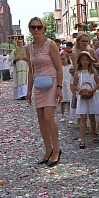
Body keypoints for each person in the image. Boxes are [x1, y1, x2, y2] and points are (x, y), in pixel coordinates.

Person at [26, 18, 63, 166]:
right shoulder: (29, 48)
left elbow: (59, 67)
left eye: (39, 27)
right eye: (33, 27)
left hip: (51, 81)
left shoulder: (50, 44)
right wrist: (28, 90)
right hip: (39, 84)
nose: (36, 30)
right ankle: (47, 149)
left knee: (49, 117)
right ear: (30, 29)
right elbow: (31, 70)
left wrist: (59, 87)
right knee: (41, 119)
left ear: (43, 28)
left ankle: (56, 149)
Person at [72, 51, 99, 149]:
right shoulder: (78, 73)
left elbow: (98, 83)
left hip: (91, 95)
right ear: (80, 61)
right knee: (83, 117)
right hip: (82, 95)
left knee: (92, 116)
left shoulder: (93, 72)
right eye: (83, 60)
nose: (85, 62)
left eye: (86, 60)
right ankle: (82, 139)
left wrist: (93, 89)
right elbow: (74, 85)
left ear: (89, 61)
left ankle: (94, 135)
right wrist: (79, 90)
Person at [59, 49, 73, 122]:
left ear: (67, 58)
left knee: (69, 101)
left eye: (64, 59)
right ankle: (62, 114)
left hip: (68, 84)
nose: (62, 61)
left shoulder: (70, 66)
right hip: (62, 84)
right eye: (61, 59)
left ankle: (71, 116)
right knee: (62, 101)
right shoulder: (60, 67)